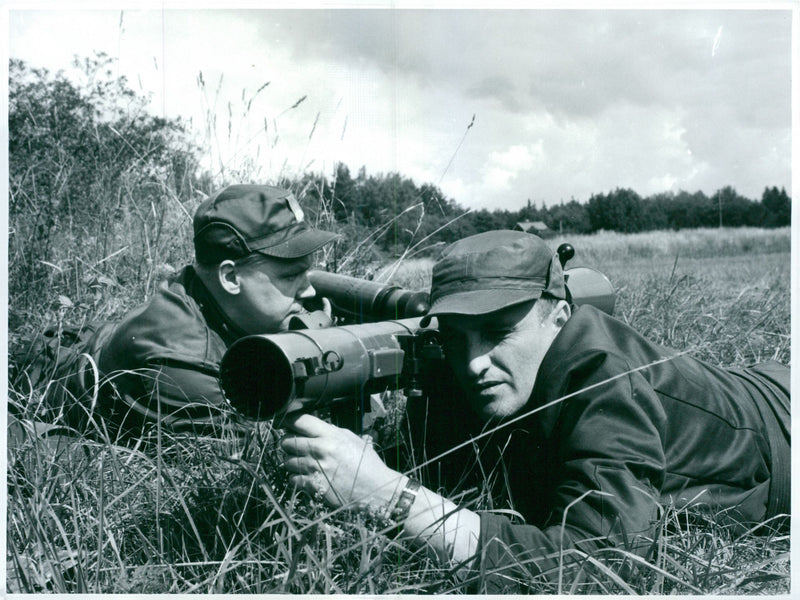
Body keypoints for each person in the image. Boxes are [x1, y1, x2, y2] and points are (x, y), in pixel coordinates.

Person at [278, 230, 790, 593]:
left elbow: (603, 569)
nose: (475, 362)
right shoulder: (479, 365)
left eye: (500, 332)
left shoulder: (604, 382)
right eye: (457, 338)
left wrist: (388, 493)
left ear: (560, 317)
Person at [77, 184, 338, 441]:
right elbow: (256, 460)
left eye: (307, 272)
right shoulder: (183, 366)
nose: (309, 291)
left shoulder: (206, 288)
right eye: (291, 275)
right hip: (53, 376)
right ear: (231, 277)